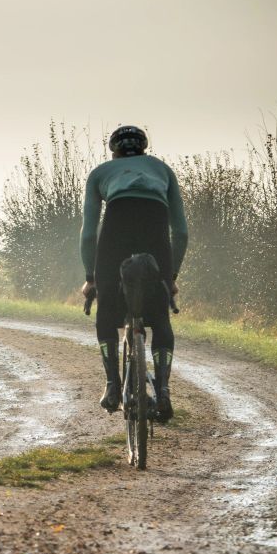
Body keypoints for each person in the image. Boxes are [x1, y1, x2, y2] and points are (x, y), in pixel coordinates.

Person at [80, 125, 188, 421]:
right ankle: (163, 391)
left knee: (106, 311)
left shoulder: (101, 173)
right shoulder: (163, 170)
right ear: (144, 148)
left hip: (116, 230)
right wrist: (171, 276)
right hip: (155, 233)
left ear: (113, 151)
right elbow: (180, 231)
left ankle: (113, 386)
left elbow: (89, 234)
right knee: (161, 315)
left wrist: (91, 278)